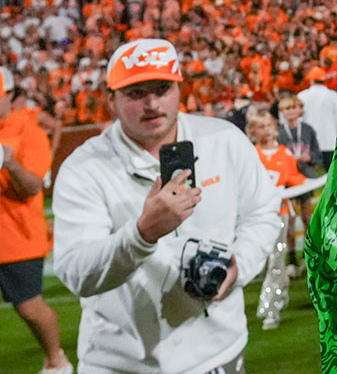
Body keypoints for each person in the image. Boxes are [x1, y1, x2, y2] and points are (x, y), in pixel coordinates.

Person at [52, 39, 281, 374]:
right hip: (122, 365)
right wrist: (142, 234)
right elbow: (76, 272)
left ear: (179, 89)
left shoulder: (224, 140)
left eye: (162, 89)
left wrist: (239, 265)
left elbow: (262, 213)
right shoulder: (83, 168)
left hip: (219, 354)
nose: (152, 103)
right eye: (135, 93)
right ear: (110, 99)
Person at [0, 67, 73, 374]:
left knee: (29, 307)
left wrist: (9, 162)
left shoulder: (28, 130)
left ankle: (56, 360)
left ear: (8, 96)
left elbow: (32, 187)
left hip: (17, 236)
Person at [245, 106, 305, 330]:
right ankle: (280, 289)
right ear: (253, 131)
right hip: (255, 216)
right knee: (260, 261)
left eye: (270, 125)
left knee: (276, 260)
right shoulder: (250, 155)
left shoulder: (285, 154)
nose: (267, 130)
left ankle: (271, 309)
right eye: (261, 126)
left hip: (279, 215)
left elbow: (296, 180)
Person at [276, 95, 319, 272]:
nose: (291, 112)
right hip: (288, 181)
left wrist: (310, 157)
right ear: (282, 112)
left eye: (294, 108)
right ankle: (292, 259)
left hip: (305, 177)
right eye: (287, 108)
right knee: (290, 221)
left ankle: (311, 254)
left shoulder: (307, 130)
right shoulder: (279, 132)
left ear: (300, 110)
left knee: (307, 217)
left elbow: (316, 153)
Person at [296, 67, 337, 164]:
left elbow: (298, 121)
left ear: (311, 80)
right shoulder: (333, 95)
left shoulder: (302, 96)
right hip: (330, 141)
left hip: (309, 143)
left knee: (311, 173)